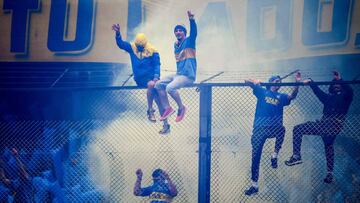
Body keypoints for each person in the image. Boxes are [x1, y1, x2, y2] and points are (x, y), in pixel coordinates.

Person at [285, 71, 354, 184]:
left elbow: (350, 91)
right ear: (332, 87)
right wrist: (311, 82)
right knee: (299, 129)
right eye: (334, 84)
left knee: (328, 146)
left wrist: (340, 79)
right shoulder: (328, 98)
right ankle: (297, 156)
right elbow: (318, 92)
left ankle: (329, 173)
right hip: (323, 125)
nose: (336, 85)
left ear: (342, 85)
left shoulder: (346, 97)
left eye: (338, 84)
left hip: (333, 125)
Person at [244, 72, 301, 196]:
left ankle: (274, 155)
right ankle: (254, 185)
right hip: (259, 129)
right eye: (276, 81)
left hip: (274, 127)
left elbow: (292, 96)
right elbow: (246, 81)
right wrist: (255, 81)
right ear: (270, 82)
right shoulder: (262, 91)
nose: (278, 83)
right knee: (255, 157)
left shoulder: (281, 96)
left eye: (280, 82)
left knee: (282, 129)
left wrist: (297, 83)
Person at [112, 24, 170, 134]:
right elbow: (121, 44)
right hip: (141, 79)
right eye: (138, 46)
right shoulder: (132, 47)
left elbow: (157, 65)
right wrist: (118, 33)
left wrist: (156, 77)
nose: (139, 48)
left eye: (141, 46)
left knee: (159, 100)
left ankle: (166, 125)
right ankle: (150, 110)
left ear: (145, 44)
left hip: (152, 78)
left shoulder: (152, 50)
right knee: (151, 85)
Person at [155, 11, 197, 123]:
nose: (178, 32)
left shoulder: (189, 41)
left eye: (180, 30)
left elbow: (194, 33)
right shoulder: (175, 45)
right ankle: (168, 108)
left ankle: (181, 108)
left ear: (184, 33)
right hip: (179, 74)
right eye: (176, 31)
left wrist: (191, 19)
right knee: (158, 85)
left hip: (188, 76)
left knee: (170, 88)